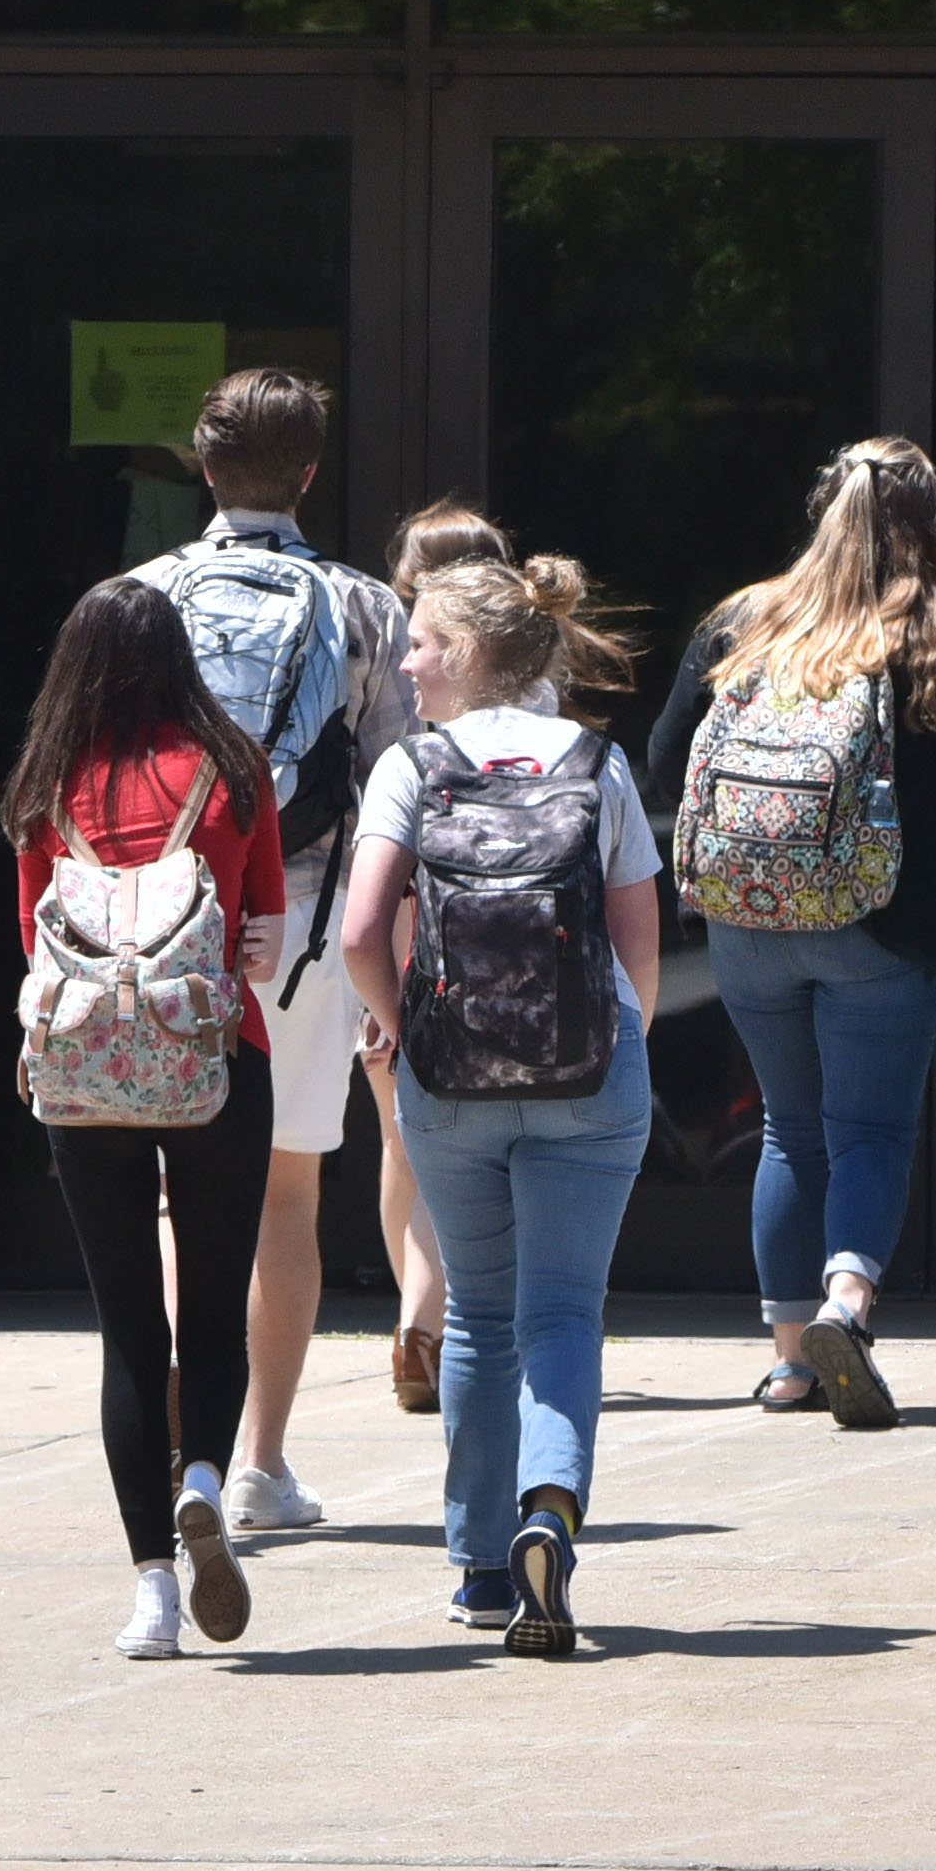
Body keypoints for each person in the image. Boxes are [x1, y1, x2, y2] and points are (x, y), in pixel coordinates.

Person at [641, 436, 936, 1432]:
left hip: (745, 923)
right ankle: (847, 1305)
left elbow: (666, 754)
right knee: (870, 1135)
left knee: (789, 1132)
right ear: (931, 522)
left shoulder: (743, 623)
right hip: (884, 929)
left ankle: (786, 1363)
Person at [336, 554, 662, 1658]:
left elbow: (356, 936)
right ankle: (550, 1510)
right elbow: (637, 945)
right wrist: (620, 1049)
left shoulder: (409, 767)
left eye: (420, 641)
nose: (407, 661)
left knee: (476, 1314)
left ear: (468, 654)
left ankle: (480, 1570)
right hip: (589, 1071)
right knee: (564, 1313)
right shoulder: (596, 762)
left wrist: (397, 1024)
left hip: (450, 1075)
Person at [122, 368, 414, 1528]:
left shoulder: (140, 595)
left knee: (169, 1192)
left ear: (202, 467)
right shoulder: (362, 609)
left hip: (158, 916)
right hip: (297, 923)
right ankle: (258, 1464)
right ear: (307, 473)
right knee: (286, 1190)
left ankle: (181, 1446)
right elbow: (396, 793)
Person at [0, 580, 287, 1658]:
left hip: (84, 1076)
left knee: (130, 1333)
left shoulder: (45, 784)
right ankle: (205, 1476)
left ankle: (152, 1598)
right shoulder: (232, 770)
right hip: (214, 1057)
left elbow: (30, 939)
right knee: (213, 1313)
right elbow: (258, 925)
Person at [368, 496, 517, 1411]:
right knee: (485, 1150)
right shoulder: (522, 673)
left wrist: (381, 995)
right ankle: (446, 1316)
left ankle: (415, 1317)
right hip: (504, 952)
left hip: (400, 927)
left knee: (401, 1136)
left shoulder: (390, 665)